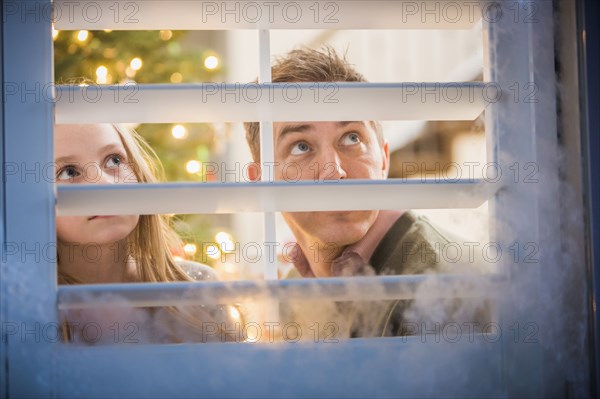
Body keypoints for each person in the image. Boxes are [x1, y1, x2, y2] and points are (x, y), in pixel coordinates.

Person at [244, 47, 488, 337]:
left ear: (383, 159)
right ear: (260, 182)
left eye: (351, 138)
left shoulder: (443, 293)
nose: (333, 170)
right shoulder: (296, 294)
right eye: (301, 146)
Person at [55, 123, 243, 343]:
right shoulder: (28, 314)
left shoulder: (198, 292)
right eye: (69, 172)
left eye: (114, 160)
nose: (103, 183)